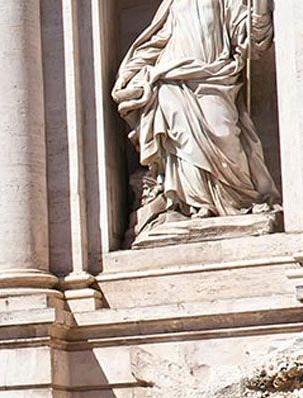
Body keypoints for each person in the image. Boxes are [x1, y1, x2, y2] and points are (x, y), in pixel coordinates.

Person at [113, 0, 279, 239]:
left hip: (215, 78)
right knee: (183, 143)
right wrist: (130, 77)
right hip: (171, 82)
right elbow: (152, 45)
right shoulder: (172, 5)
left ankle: (238, 201)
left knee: (224, 134)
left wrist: (261, 5)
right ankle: (194, 205)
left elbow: (253, 39)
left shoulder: (226, 2)